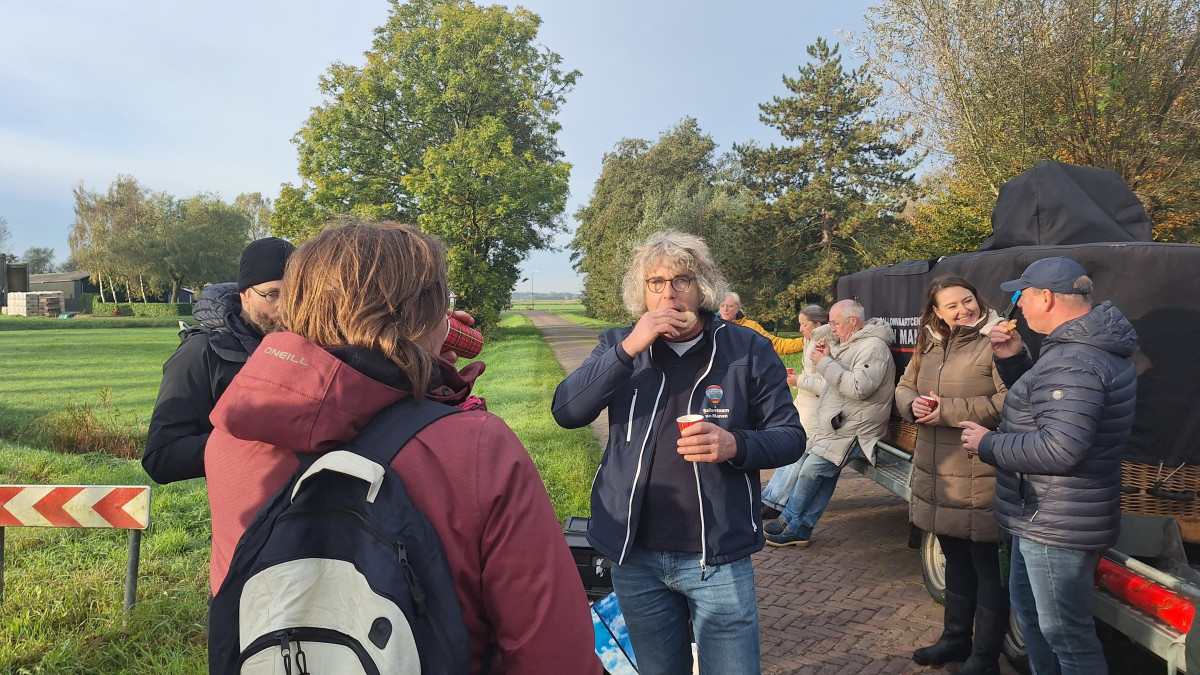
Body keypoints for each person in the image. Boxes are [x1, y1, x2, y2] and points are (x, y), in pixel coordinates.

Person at [203, 221, 600, 673]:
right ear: (427, 315)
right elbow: (553, 656)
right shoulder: (478, 447)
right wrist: (430, 390)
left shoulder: (230, 437)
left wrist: (422, 381)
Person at [552, 230, 804, 675]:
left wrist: (735, 444)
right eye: (656, 282)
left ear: (701, 286)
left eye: (681, 280)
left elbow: (791, 437)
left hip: (717, 556)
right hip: (635, 555)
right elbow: (567, 412)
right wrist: (630, 348)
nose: (669, 293)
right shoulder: (618, 345)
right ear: (642, 292)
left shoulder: (746, 348)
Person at [960, 257, 1136, 675]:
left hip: (1056, 522)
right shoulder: (1077, 349)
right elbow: (1049, 408)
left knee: (1066, 637)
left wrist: (988, 443)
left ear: (1046, 297)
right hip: (1047, 515)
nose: (1018, 306)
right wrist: (1014, 360)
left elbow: (1060, 449)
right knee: (1036, 620)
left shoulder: (1075, 359)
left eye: (1021, 295)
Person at [895, 277, 1009, 675]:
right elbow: (904, 385)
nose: (964, 310)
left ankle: (985, 658)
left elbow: (1010, 400)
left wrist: (948, 411)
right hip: (937, 473)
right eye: (953, 305)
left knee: (987, 570)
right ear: (937, 313)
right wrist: (913, 404)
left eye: (968, 300)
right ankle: (956, 639)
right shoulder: (929, 343)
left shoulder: (998, 340)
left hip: (979, 473)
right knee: (955, 560)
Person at [142, 236, 295, 484]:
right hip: (248, 503)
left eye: (296, 294)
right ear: (245, 294)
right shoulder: (201, 350)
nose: (286, 306)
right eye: (273, 295)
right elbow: (161, 457)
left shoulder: (310, 345)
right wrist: (259, 442)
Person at [766, 299, 895, 547]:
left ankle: (791, 521)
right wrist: (828, 354)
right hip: (840, 423)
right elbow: (841, 374)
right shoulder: (855, 342)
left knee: (811, 471)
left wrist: (824, 362)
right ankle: (798, 527)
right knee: (824, 475)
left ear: (853, 322)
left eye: (835, 324)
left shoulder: (873, 348)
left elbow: (858, 387)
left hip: (855, 427)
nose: (832, 329)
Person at [761, 304, 832, 520]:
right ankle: (769, 497)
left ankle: (775, 502)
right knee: (791, 454)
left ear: (818, 325)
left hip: (815, 413)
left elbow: (829, 385)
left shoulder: (827, 344)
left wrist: (798, 380)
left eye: (804, 325)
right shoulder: (810, 341)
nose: (800, 329)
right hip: (804, 408)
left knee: (797, 457)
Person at [719, 291, 805, 355]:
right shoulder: (714, 327)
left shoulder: (751, 327)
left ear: (738, 308)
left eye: (730, 306)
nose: (725, 309)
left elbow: (776, 345)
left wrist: (806, 342)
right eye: (722, 306)